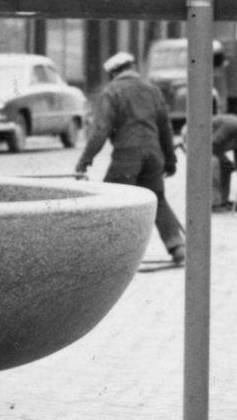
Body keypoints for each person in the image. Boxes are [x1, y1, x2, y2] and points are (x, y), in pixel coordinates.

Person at [74, 51, 186, 265]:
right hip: (153, 155)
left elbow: (100, 129)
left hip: (127, 155)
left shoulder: (112, 91)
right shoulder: (152, 89)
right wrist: (170, 160)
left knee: (109, 200)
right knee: (157, 199)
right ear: (133, 66)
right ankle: (177, 245)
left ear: (113, 73)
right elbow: (165, 127)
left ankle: (99, 253)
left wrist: (85, 161)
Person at [211, 110, 237, 211]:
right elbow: (212, 145)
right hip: (196, 136)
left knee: (227, 168)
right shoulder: (233, 125)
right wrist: (224, 160)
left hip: (214, 146)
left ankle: (222, 202)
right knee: (214, 163)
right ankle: (213, 204)